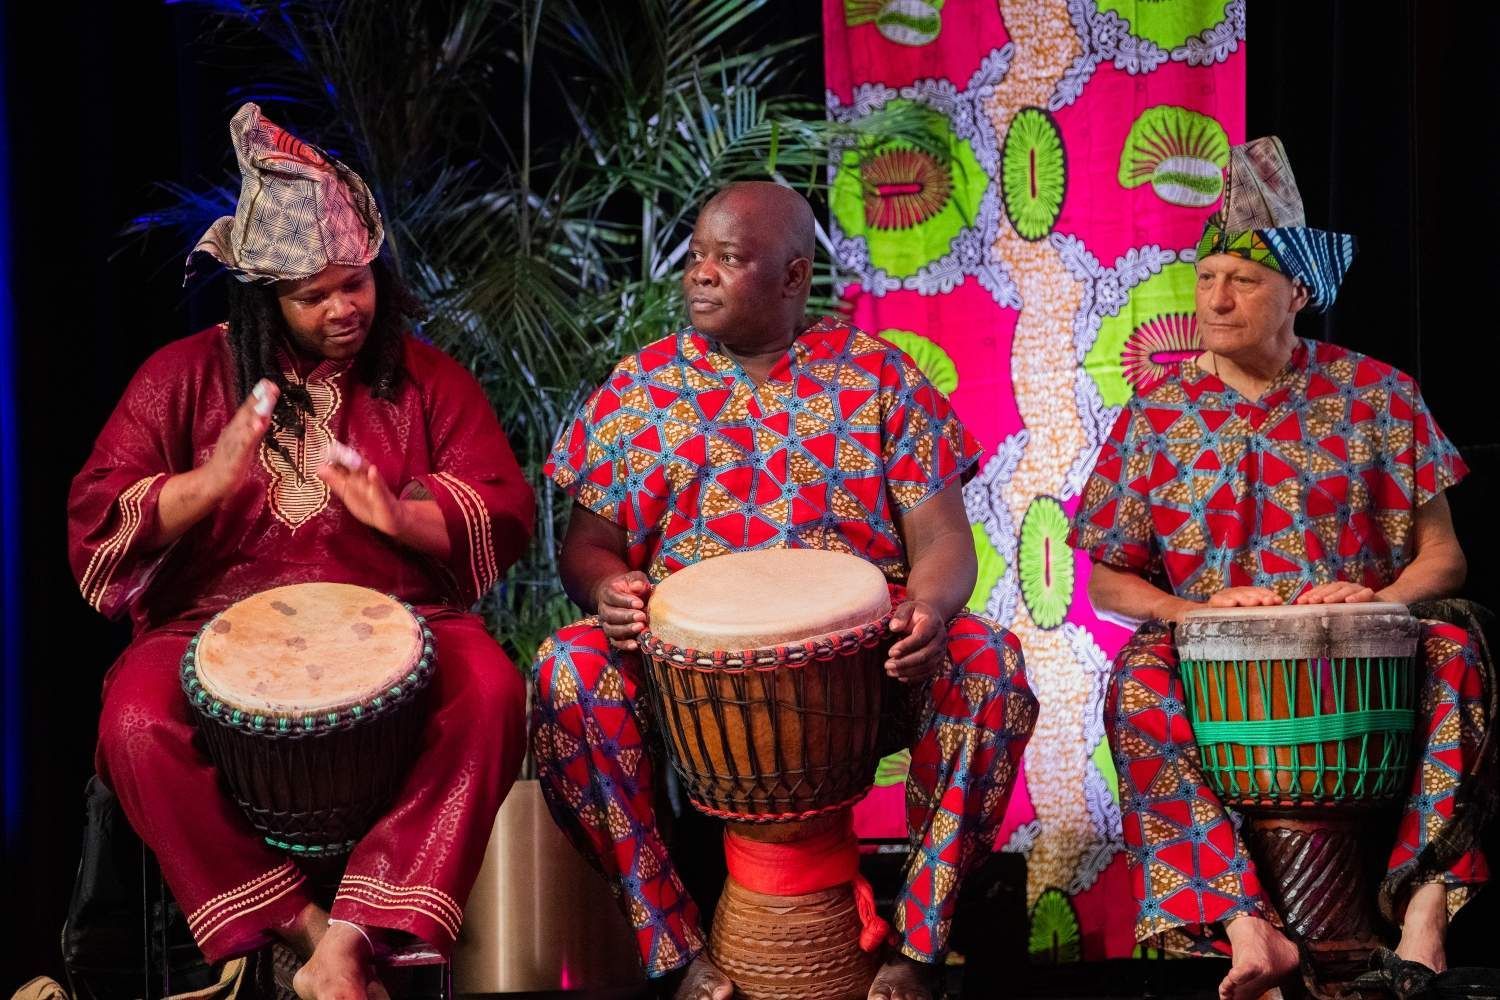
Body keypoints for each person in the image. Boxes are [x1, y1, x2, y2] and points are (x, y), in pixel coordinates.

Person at [68, 103, 535, 1000]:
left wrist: (401, 519)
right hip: (206, 624)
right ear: (262, 298)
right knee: (132, 718)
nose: (343, 307)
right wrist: (207, 484)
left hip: (406, 618)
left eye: (355, 282)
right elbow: (97, 517)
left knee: (491, 687)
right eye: (312, 294)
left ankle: (362, 924)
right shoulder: (181, 376)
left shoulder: (426, 379)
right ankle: (310, 932)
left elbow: (500, 508)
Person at [530, 181, 1039, 1000]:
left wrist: (931, 610)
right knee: (567, 673)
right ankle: (675, 950)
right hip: (682, 675)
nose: (700, 274)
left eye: (727, 260)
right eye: (696, 255)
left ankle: (916, 947)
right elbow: (587, 545)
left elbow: (943, 538)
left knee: (990, 667)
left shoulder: (878, 377)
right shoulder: (639, 387)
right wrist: (606, 588)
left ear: (794, 278)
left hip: (868, 670)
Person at [1070, 137, 1491, 1000]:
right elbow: (1108, 582)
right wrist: (1194, 613)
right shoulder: (1157, 413)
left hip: (1373, 645)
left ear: (1299, 293)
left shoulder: (1378, 393)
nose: (1216, 298)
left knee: (1460, 647)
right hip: (1208, 654)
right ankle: (1243, 926)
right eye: (1206, 277)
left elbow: (1444, 555)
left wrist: (1382, 599)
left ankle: (1425, 905)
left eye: (1244, 280)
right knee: (1135, 680)